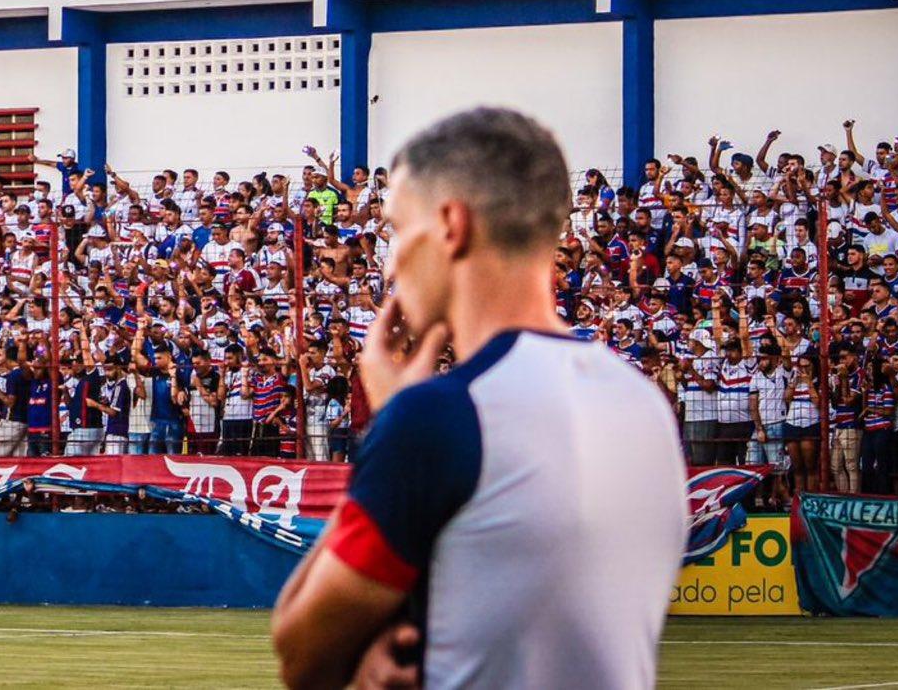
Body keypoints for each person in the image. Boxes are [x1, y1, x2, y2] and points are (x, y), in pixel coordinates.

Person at [270, 108, 685, 690]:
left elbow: (301, 651)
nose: (390, 261)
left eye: (397, 229)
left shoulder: (441, 416)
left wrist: (388, 421)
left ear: (451, 225)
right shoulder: (642, 404)